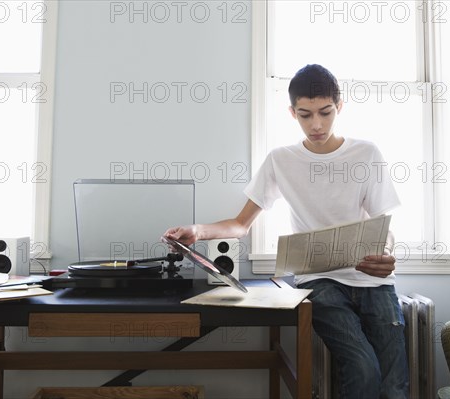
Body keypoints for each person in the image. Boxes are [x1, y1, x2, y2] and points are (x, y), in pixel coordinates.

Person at [164, 64, 409, 399]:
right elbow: (240, 224)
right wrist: (196, 230)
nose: (316, 125)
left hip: (373, 280)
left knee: (394, 384)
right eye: (306, 115)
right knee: (362, 368)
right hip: (319, 282)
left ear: (340, 106)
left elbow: (384, 224)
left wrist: (387, 254)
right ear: (292, 113)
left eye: (325, 112)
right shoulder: (281, 160)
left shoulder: (366, 153)